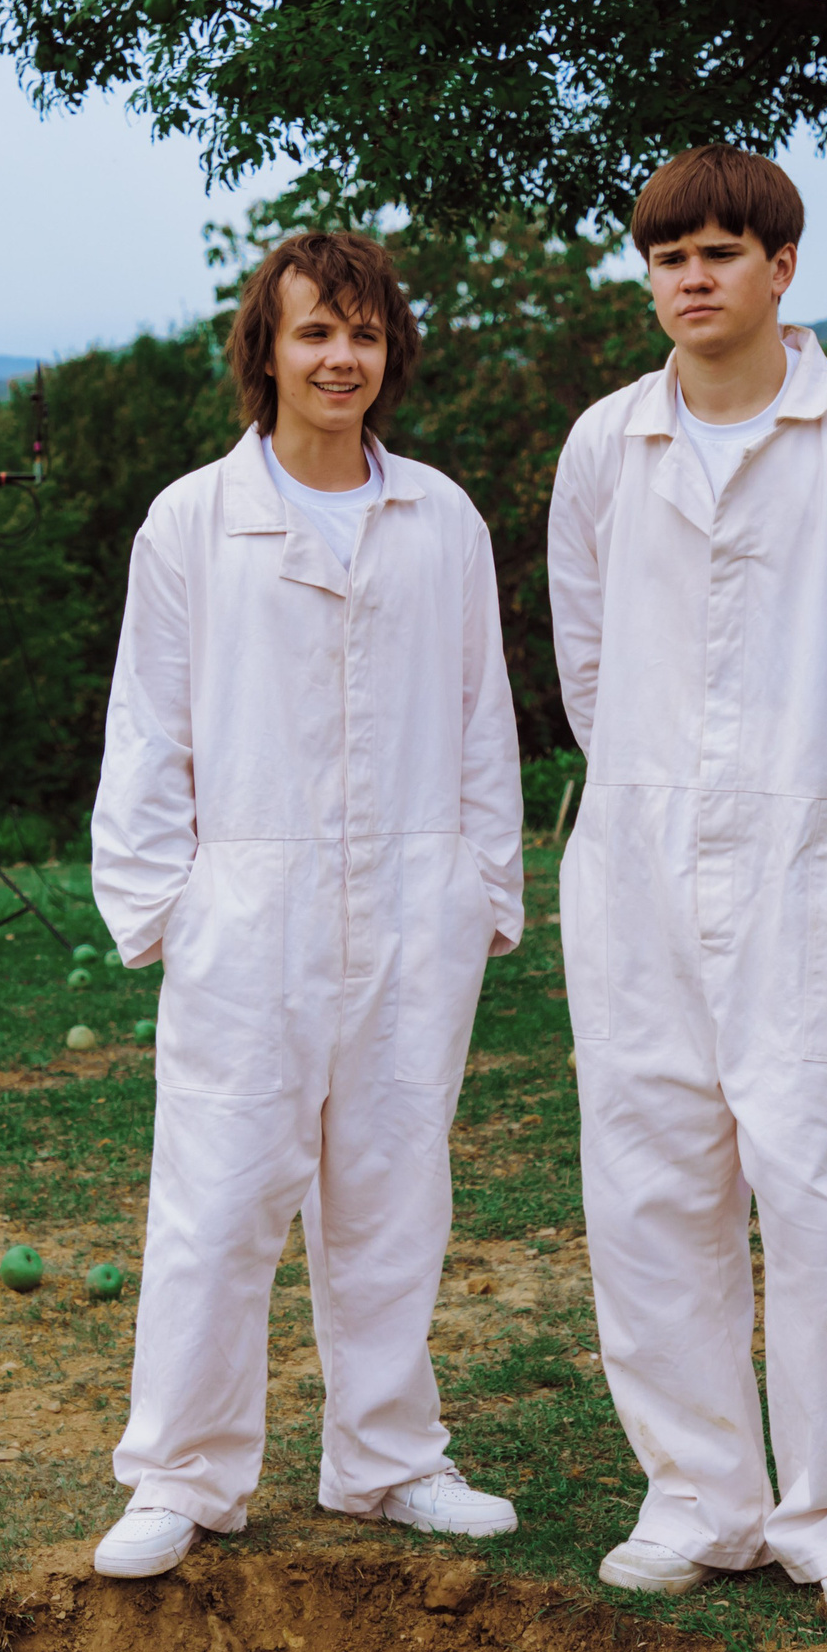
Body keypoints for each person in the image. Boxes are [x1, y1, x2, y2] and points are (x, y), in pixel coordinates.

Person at [546, 146, 827, 1629]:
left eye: (722, 252)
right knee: (654, 1184)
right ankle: (699, 1493)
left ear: (782, 268)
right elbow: (590, 669)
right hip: (640, 879)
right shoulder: (608, 446)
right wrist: (667, 815)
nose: (692, 278)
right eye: (669, 256)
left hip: (824, 877)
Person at [86, 230, 527, 1580]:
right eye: (314, 333)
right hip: (249, 900)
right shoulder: (194, 519)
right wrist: (168, 903)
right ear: (264, 350)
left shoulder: (441, 517)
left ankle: (388, 1459)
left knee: (395, 1190)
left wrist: (480, 887)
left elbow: (479, 713)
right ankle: (182, 1473)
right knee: (218, 1201)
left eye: (365, 334)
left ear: (388, 353)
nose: (342, 357)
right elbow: (150, 722)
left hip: (412, 894)